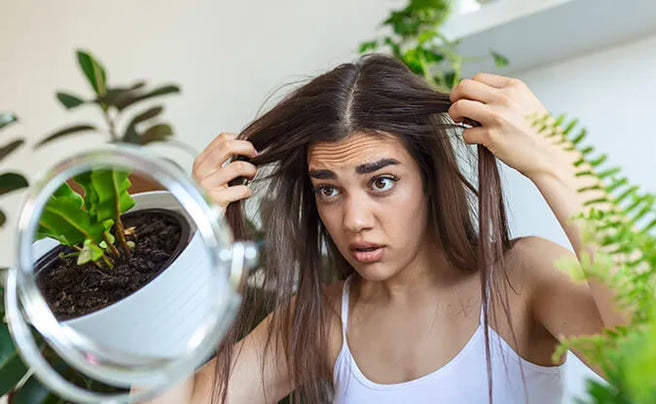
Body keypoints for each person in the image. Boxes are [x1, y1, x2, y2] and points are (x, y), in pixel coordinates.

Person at [144, 53, 627, 403]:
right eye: (328, 190)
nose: (353, 220)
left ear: (430, 179)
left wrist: (560, 165)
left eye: (382, 181)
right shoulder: (323, 320)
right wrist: (184, 235)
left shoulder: (521, 279)